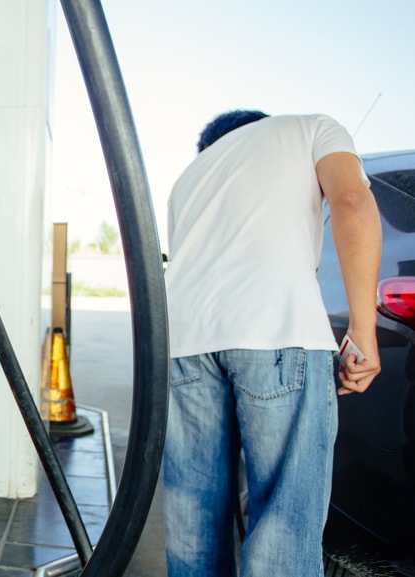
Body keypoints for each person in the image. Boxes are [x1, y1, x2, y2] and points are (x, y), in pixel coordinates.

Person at [162, 110, 382, 576]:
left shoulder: (189, 178)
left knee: (192, 511)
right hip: (276, 331)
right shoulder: (311, 129)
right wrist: (363, 330)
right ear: (261, 125)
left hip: (183, 344)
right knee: (284, 516)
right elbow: (353, 202)